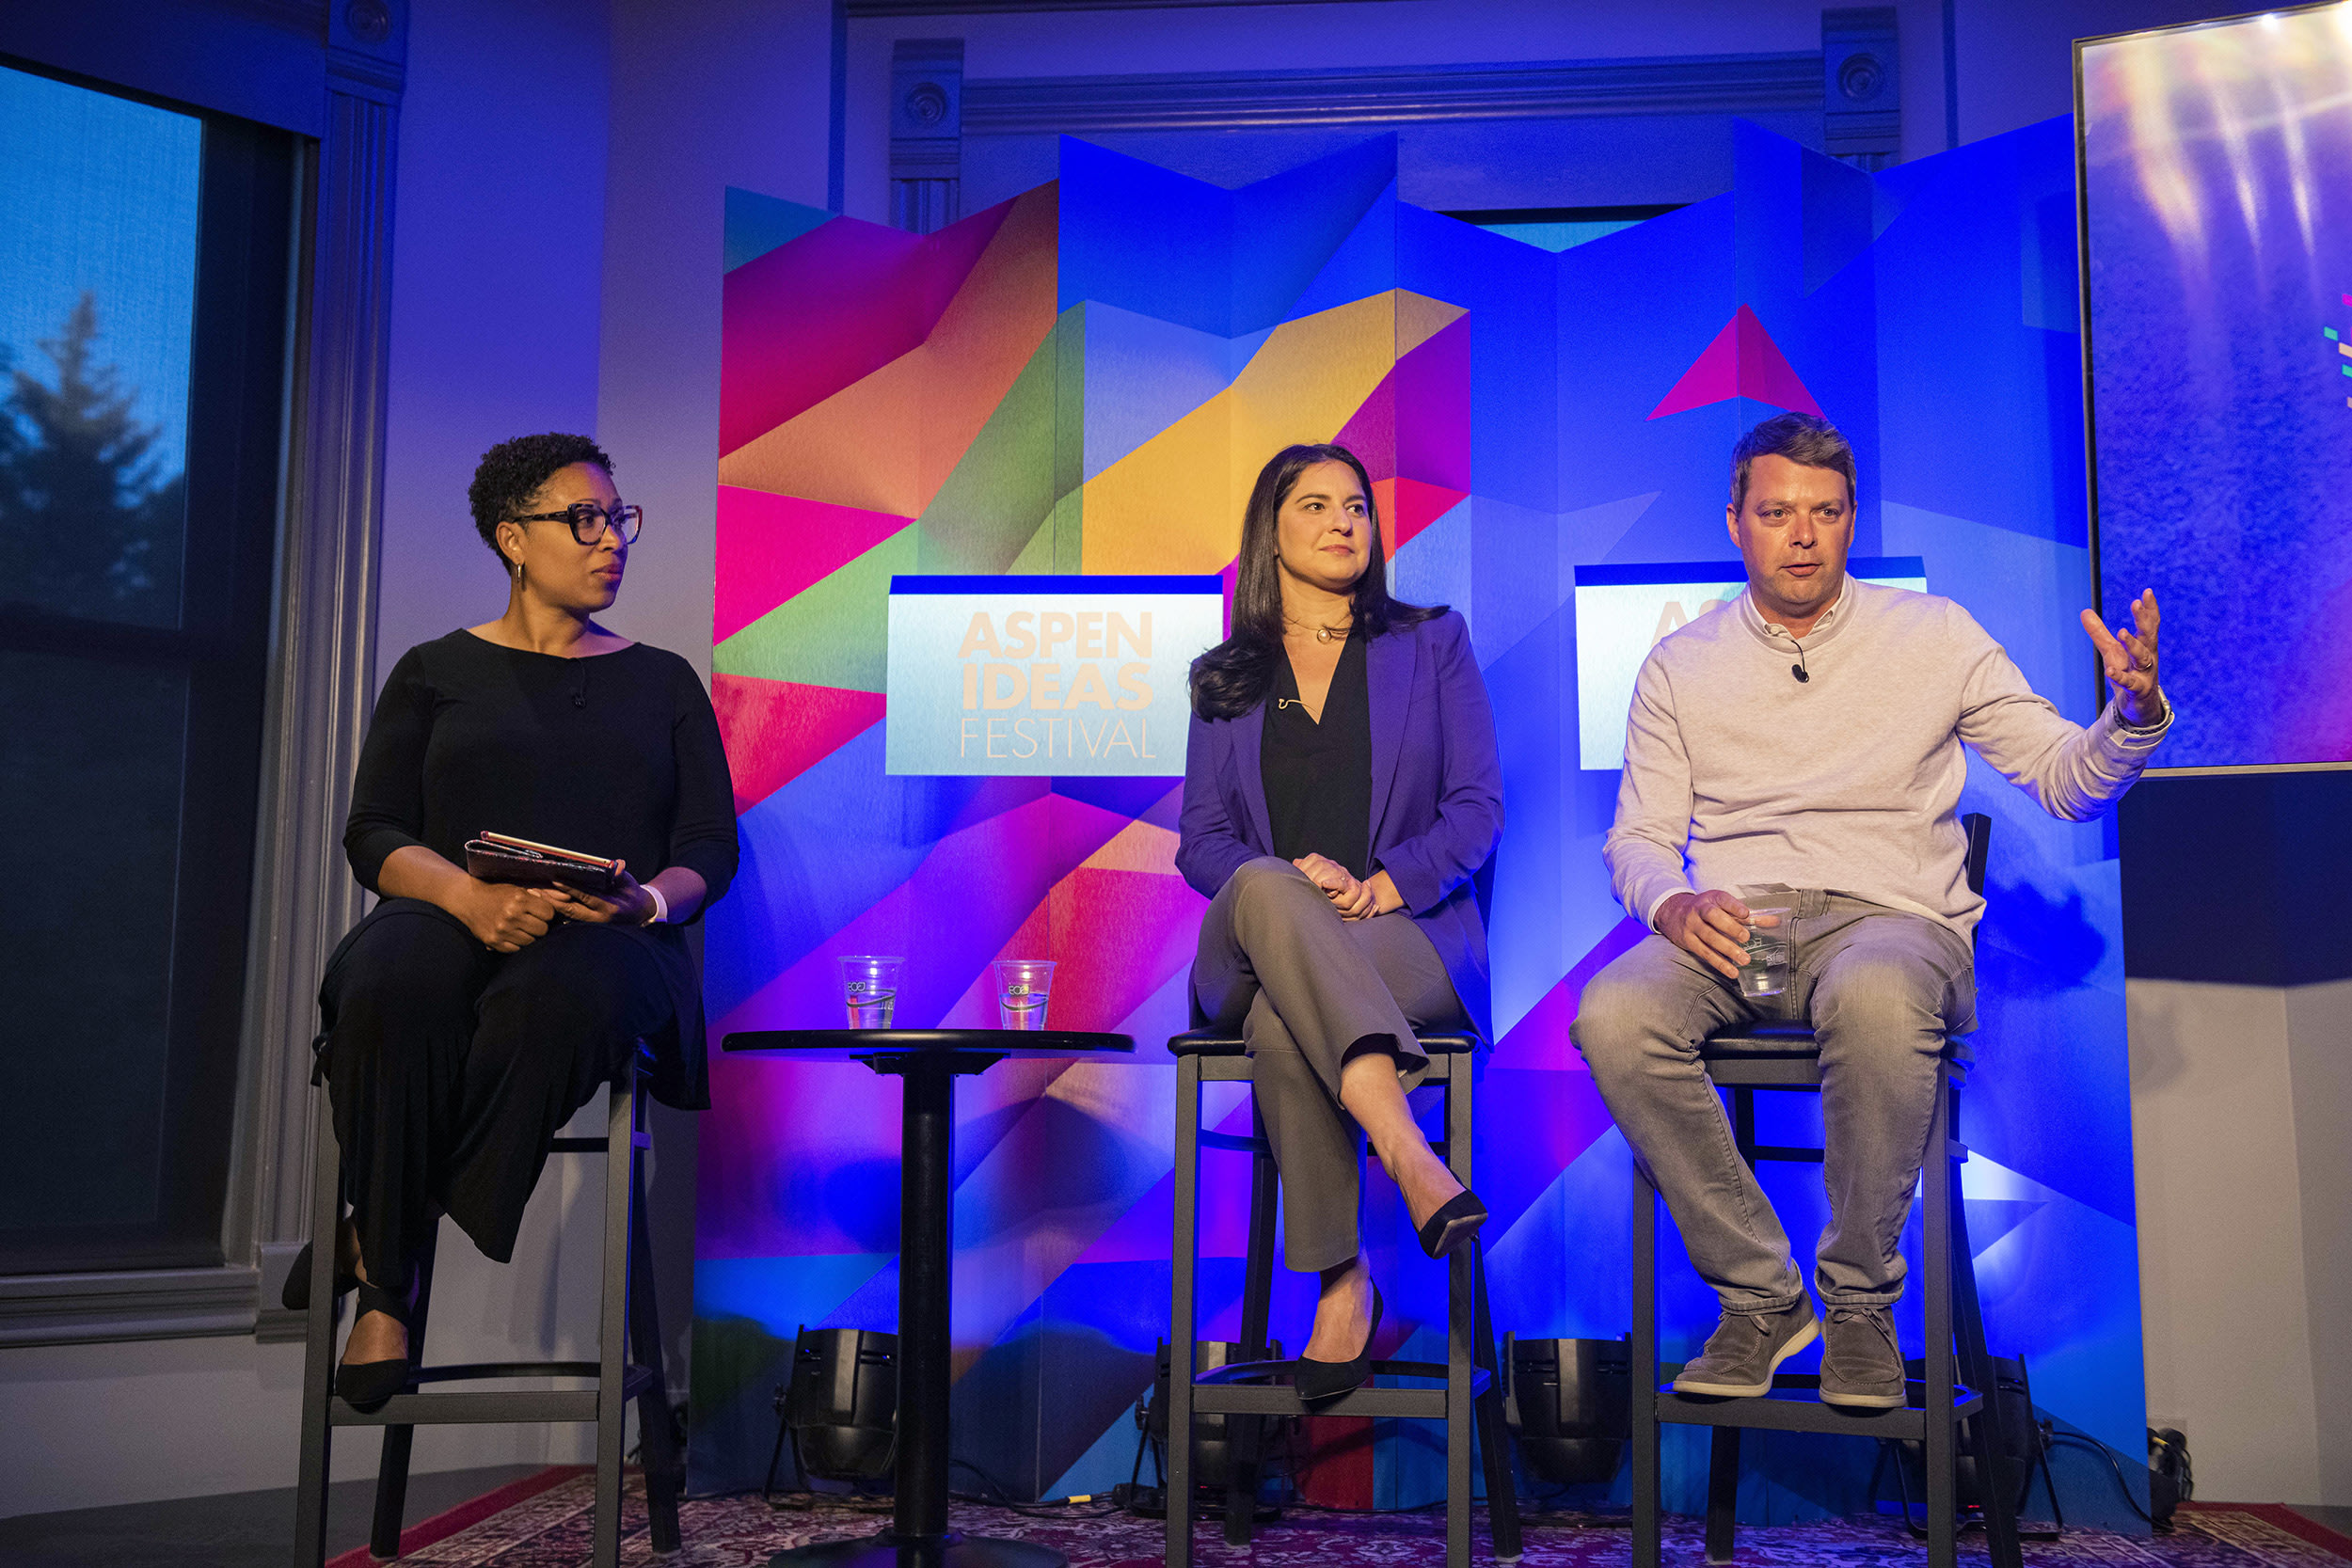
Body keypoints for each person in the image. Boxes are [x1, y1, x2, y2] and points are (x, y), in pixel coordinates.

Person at [1571, 412, 2169, 1407]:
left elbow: (2067, 780)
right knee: (1613, 1013)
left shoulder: (1932, 633)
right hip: (1746, 933)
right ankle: (1762, 1295)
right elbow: (1635, 839)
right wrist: (1673, 902)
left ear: (1852, 522)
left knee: (1880, 990)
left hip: (1886, 916)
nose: (1801, 533)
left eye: (1825, 511)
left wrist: (2132, 713)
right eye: (1776, 512)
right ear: (1735, 524)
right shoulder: (1680, 663)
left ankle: (1855, 1301)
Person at [294, 433, 739, 1409]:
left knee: (561, 992)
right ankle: (386, 1291)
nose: (610, 539)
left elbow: (709, 848)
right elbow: (373, 831)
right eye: (582, 520)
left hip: (612, 939)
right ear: (512, 537)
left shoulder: (662, 681)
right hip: (459, 913)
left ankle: (382, 1243)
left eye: (619, 519)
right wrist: (467, 896)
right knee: (386, 979)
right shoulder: (432, 669)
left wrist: (645, 900)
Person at [1176, 442, 1503, 1402]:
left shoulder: (1432, 642)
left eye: (1356, 505)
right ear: (1268, 533)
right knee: (1269, 887)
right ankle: (1408, 1154)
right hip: (1249, 944)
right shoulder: (1225, 675)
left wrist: (1380, 885)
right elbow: (1200, 842)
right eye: (1314, 504)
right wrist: (1290, 883)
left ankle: (1339, 1277)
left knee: (1287, 1016)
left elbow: (1477, 808)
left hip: (1403, 937)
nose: (1341, 522)